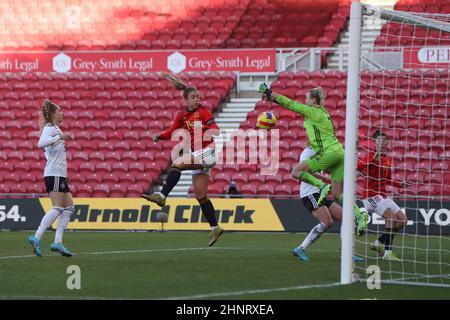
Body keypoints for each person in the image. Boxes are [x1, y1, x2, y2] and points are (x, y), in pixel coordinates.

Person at [257, 83, 367, 235]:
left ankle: (321, 186)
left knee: (296, 171)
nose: (305, 101)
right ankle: (360, 215)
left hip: (329, 152)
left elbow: (290, 104)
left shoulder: (312, 111)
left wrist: (269, 92)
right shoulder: (325, 113)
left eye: (307, 99)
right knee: (338, 195)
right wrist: (271, 98)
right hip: (340, 153)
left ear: (313, 101)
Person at [142, 72, 224, 246]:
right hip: (198, 156)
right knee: (201, 196)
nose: (197, 100)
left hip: (207, 152)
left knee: (177, 163)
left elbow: (212, 124)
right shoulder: (181, 115)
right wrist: (159, 137)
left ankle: (162, 196)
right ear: (185, 100)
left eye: (198, 97)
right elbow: (171, 132)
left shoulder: (203, 111)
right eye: (193, 97)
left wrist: (215, 129)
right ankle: (215, 227)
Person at [292, 146, 364, 263]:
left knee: (346, 218)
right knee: (327, 222)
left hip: (320, 193)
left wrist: (353, 173)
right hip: (310, 193)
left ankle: (347, 253)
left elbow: (334, 172)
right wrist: (326, 179)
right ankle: (300, 249)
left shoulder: (323, 152)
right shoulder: (308, 152)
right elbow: (304, 171)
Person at [27, 100, 75, 257]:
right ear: (53, 114)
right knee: (58, 208)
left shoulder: (55, 128)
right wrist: (59, 137)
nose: (63, 113)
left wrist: (65, 173)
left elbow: (51, 153)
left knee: (69, 209)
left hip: (59, 174)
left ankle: (58, 243)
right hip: (53, 173)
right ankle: (36, 237)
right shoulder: (50, 129)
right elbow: (41, 143)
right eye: (60, 111)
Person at [357, 130, 411, 261]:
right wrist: (373, 158)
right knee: (391, 217)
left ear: (387, 143)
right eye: (379, 141)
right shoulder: (370, 155)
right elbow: (358, 166)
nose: (382, 143)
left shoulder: (387, 159)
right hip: (370, 196)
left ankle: (378, 243)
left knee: (403, 220)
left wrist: (400, 184)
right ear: (375, 143)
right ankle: (387, 253)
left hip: (383, 195)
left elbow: (387, 179)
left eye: (384, 141)